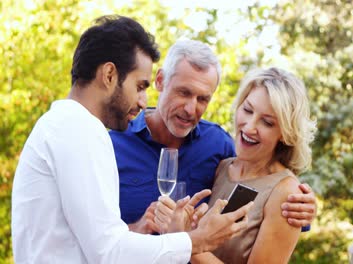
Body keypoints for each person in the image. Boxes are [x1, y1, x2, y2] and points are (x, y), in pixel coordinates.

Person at [11, 15, 252, 264]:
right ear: (109, 75)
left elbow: (98, 243)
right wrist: (197, 240)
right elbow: (110, 252)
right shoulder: (79, 131)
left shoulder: (64, 126)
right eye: (139, 86)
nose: (142, 101)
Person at [109, 39, 317, 235]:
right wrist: (136, 229)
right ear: (161, 81)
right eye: (184, 93)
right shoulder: (112, 145)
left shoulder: (218, 145)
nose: (191, 109)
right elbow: (89, 236)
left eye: (202, 99)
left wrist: (302, 207)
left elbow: (263, 176)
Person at [156, 67, 317, 263]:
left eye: (267, 122)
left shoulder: (287, 193)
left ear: (285, 132)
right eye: (247, 110)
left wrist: (184, 240)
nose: (249, 126)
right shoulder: (223, 168)